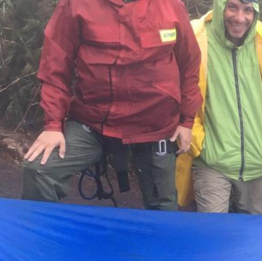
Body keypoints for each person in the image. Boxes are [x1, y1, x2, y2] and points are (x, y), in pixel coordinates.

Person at [22, 0, 202, 211]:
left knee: (163, 209)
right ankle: (44, 238)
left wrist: (187, 120)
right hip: (94, 122)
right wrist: (53, 125)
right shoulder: (76, 4)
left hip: (154, 126)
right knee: (39, 170)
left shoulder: (170, 6)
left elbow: (189, 65)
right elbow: (55, 65)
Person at [175, 0, 262, 214]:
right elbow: (180, 90)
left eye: (248, 10)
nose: (240, 18)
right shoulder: (197, 37)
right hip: (212, 161)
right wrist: (199, 145)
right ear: (220, 6)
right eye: (233, 7)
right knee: (213, 234)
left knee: (254, 236)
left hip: (258, 161)